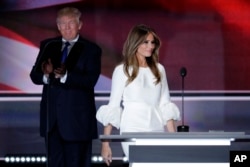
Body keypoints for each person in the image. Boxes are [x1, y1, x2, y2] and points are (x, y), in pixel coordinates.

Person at [96, 24, 181, 166]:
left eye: (152, 42)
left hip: (156, 128)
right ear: (135, 43)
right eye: (146, 42)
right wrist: (105, 144)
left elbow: (166, 104)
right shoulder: (122, 70)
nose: (150, 46)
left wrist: (174, 139)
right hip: (132, 128)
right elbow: (113, 107)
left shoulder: (159, 69)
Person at [30, 7, 102, 167]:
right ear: (57, 26)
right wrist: (47, 76)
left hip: (77, 123)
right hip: (52, 122)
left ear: (80, 25)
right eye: (62, 24)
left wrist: (65, 76)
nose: (66, 27)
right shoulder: (49, 45)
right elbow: (34, 76)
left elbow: (90, 81)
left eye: (71, 23)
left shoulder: (91, 49)